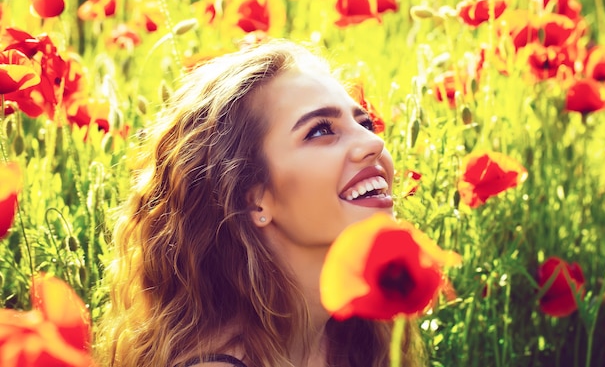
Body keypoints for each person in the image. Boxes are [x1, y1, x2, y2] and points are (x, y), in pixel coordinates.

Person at [97, 39, 423, 367]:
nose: (374, 142)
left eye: (365, 123)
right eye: (320, 130)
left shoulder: (354, 337)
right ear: (254, 199)